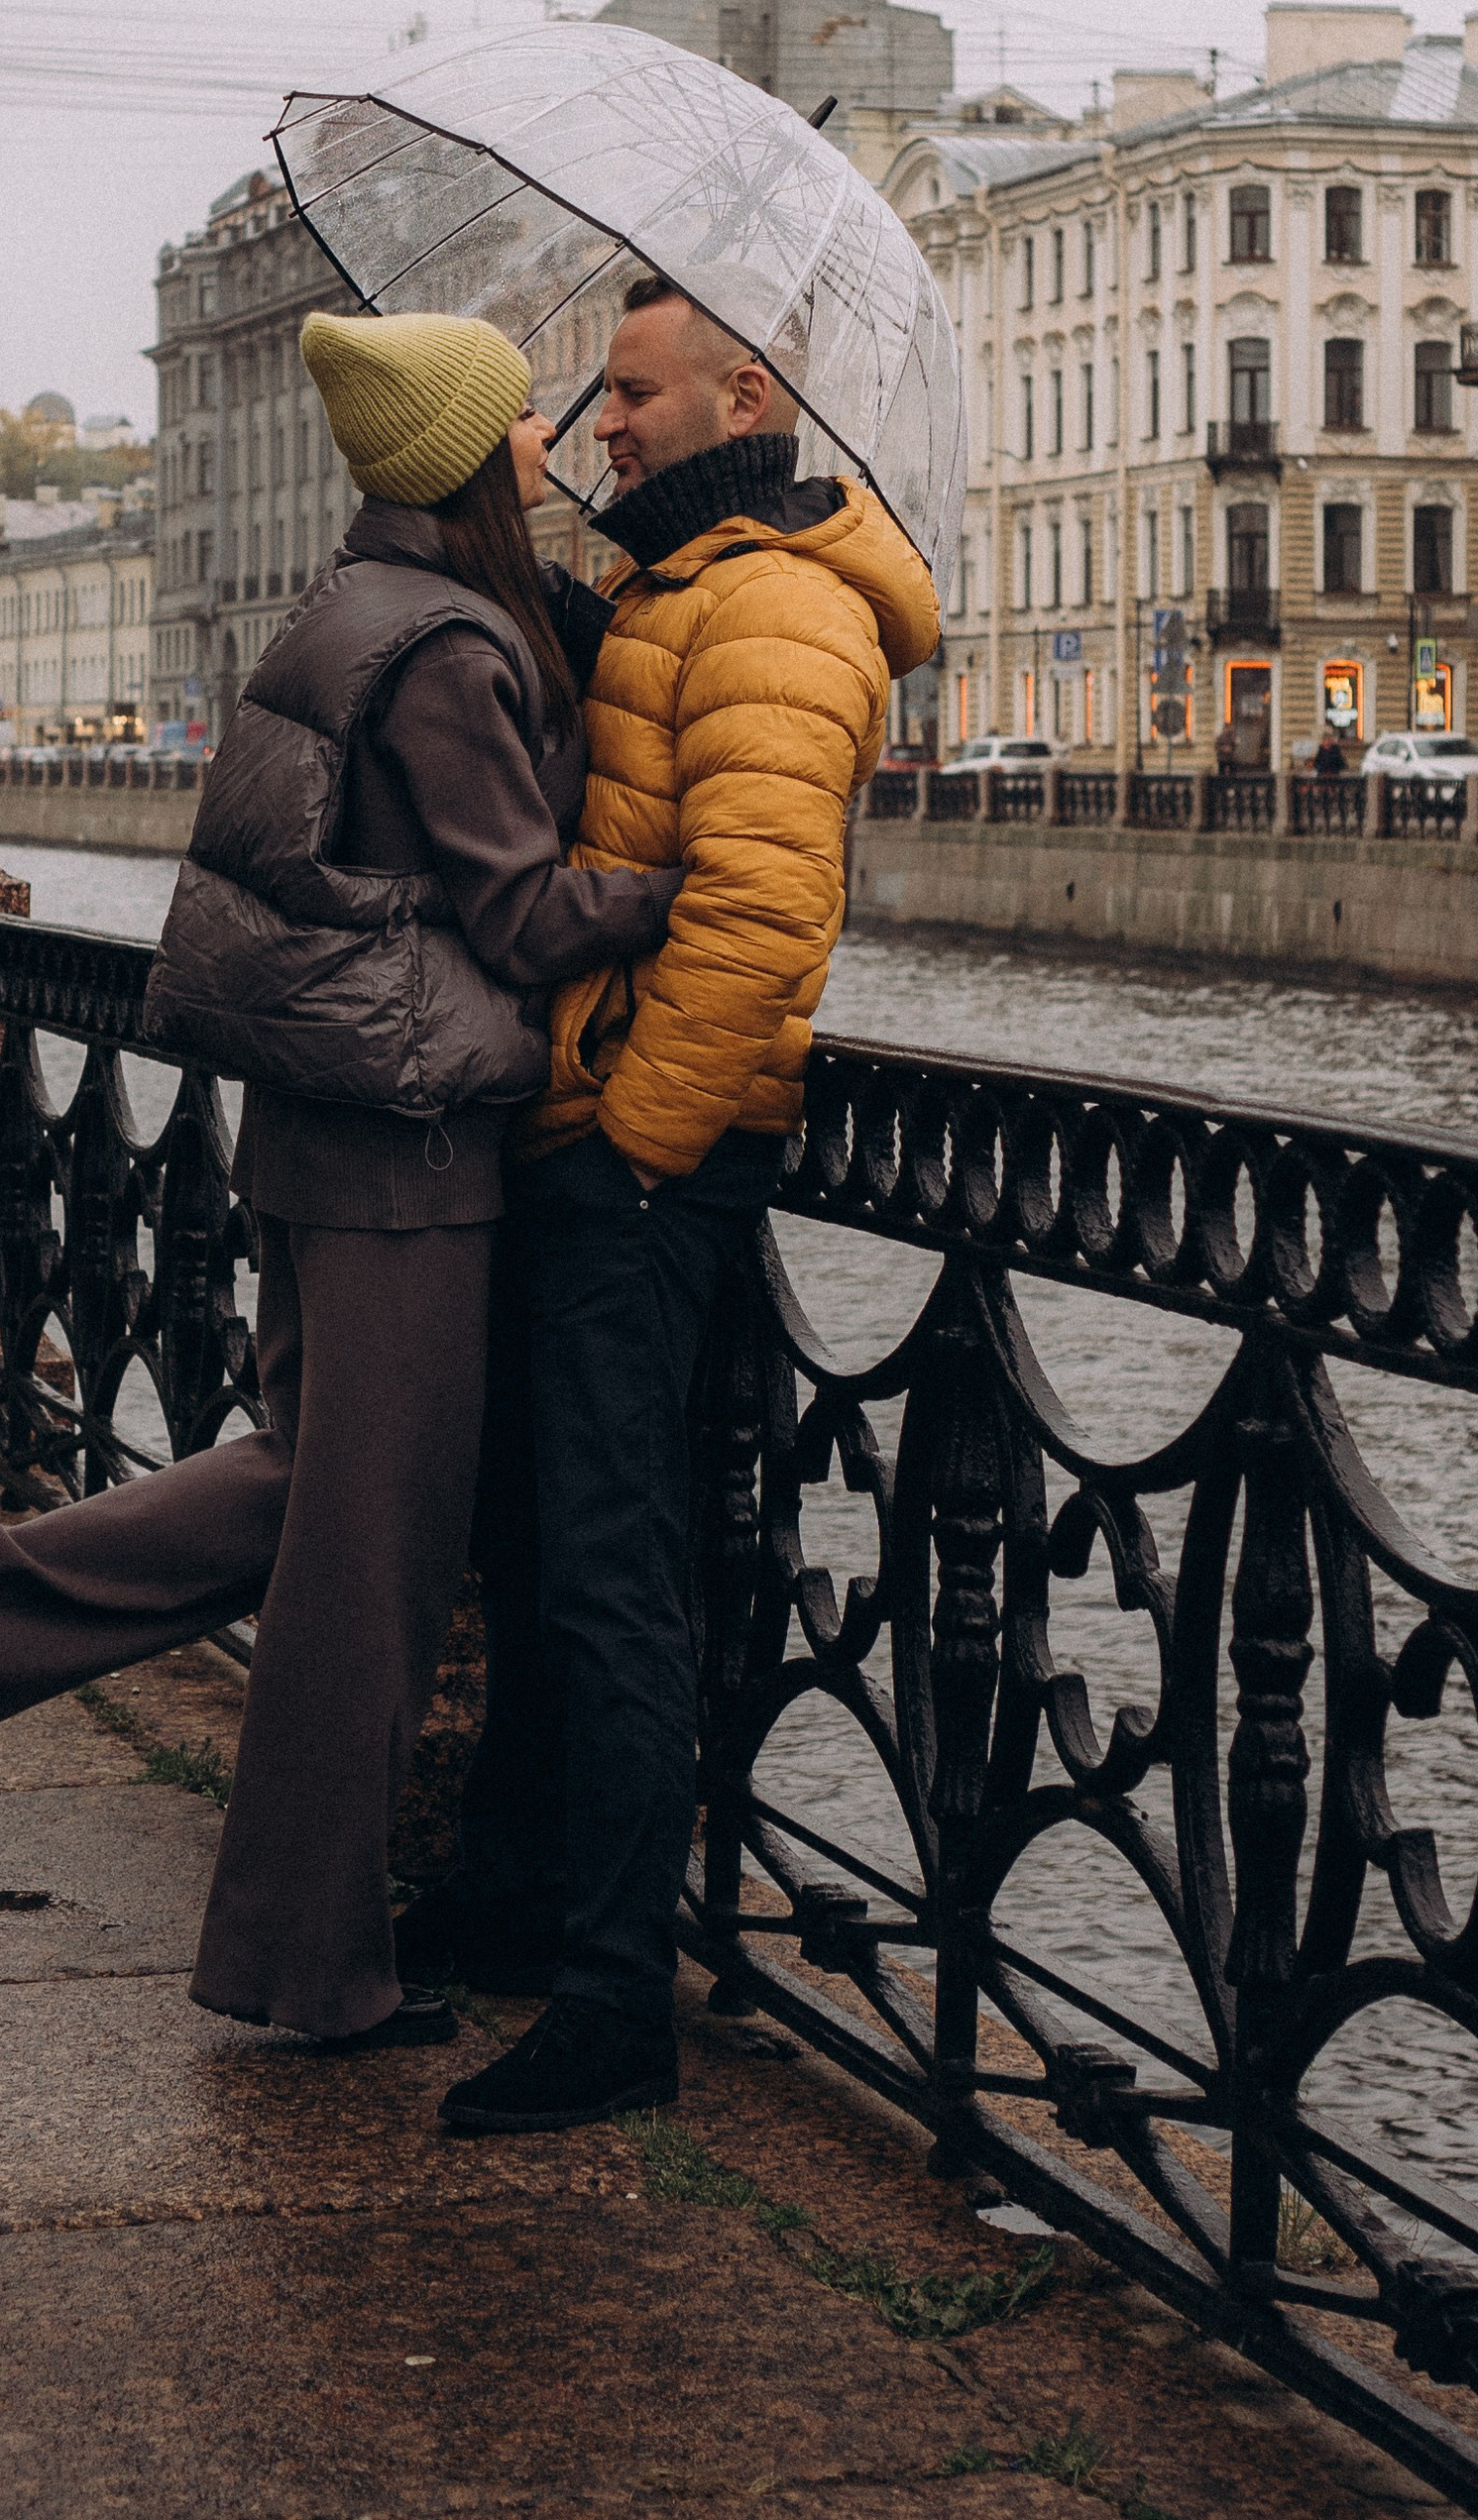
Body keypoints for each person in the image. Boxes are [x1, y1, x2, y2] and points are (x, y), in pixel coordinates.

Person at [0, 310, 676, 2051]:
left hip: (319, 1125)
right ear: (458, 454)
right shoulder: (446, 646)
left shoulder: (354, 603)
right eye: (516, 426)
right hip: (409, 1145)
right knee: (371, 1556)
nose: (543, 448)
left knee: (313, 1492)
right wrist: (680, 875)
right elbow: (517, 910)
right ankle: (306, 1964)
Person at [413, 273, 942, 2137]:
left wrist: (630, 1146)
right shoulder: (683, 584)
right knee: (548, 1550)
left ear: (743, 394)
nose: (602, 420)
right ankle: (515, 1900)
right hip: (600, 1146)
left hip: (653, 1170)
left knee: (618, 1575)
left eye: (630, 392)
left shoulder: (784, 609)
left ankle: (614, 1994)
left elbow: (755, 919)